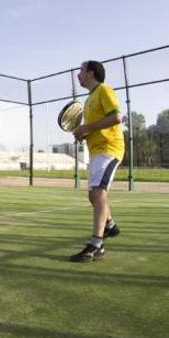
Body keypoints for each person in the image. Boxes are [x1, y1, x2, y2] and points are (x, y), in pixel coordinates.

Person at [70, 60, 123, 262]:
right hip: (96, 151)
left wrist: (87, 128)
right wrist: (82, 133)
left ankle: (96, 245)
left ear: (91, 73)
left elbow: (117, 117)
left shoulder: (104, 90)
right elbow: (92, 127)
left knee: (98, 193)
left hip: (110, 149)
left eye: (81, 71)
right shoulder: (89, 99)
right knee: (93, 196)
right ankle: (110, 225)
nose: (78, 75)